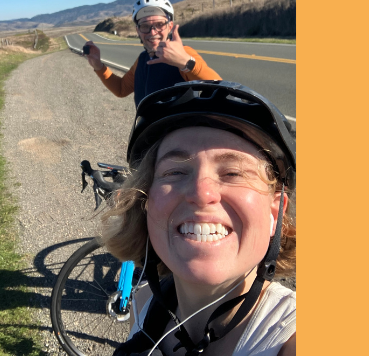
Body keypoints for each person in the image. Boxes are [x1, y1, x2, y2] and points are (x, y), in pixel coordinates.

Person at [100, 80, 296, 355]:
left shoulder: (290, 338)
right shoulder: (143, 305)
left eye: (233, 173)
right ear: (145, 203)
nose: (201, 193)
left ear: (275, 212)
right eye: (175, 172)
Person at [83, 0, 221, 106]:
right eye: (145, 26)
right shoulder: (142, 59)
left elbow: (219, 90)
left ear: (170, 26)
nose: (152, 32)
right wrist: (99, 66)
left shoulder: (184, 54)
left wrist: (186, 63)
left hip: (179, 137)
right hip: (148, 133)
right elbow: (121, 90)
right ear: (137, 30)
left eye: (159, 24)